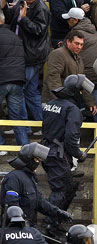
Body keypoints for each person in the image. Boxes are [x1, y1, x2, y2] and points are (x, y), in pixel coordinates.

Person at [40, 75, 89, 237]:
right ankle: (48, 225)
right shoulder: (72, 109)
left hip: (46, 150)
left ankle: (55, 222)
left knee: (68, 188)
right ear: (75, 92)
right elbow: (70, 138)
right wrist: (79, 154)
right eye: (81, 91)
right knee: (60, 190)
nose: (82, 94)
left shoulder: (51, 105)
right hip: (58, 154)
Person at [1, 143, 71, 228]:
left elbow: (40, 203)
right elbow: (11, 204)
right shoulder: (13, 178)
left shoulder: (30, 179)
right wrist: (22, 222)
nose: (38, 163)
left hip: (30, 228)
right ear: (29, 159)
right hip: (15, 230)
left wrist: (59, 212)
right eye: (37, 160)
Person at [2, 0, 50, 123]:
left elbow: (39, 30)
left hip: (31, 56)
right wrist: (5, 7)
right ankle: (39, 125)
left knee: (22, 90)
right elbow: (10, 19)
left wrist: (24, 19)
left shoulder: (41, 8)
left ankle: (23, 125)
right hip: (20, 54)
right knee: (30, 91)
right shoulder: (21, 3)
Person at [41, 31, 95, 114]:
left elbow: (82, 82)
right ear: (68, 42)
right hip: (53, 102)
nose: (79, 47)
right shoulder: (58, 54)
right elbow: (53, 77)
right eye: (76, 43)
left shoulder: (78, 59)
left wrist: (89, 101)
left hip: (66, 102)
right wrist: (58, 99)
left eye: (81, 44)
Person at [0, 9, 29, 147]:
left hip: (2, 80)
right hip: (17, 80)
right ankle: (24, 148)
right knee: (17, 118)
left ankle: (0, 145)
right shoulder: (15, 37)